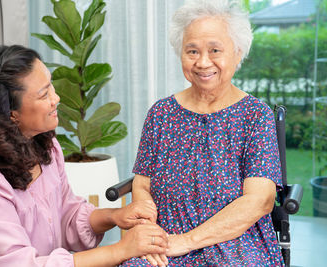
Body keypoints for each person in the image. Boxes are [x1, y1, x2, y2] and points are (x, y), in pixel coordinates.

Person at [0, 45, 169, 267]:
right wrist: (121, 250)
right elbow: (18, 264)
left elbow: (66, 216)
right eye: (44, 95)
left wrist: (115, 216)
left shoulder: (46, 146)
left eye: (51, 85)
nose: (57, 98)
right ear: (11, 113)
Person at [121, 0, 284, 266]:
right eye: (192, 51)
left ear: (238, 52)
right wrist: (149, 234)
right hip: (166, 238)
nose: (203, 62)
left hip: (234, 241)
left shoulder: (256, 115)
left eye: (215, 50)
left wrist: (186, 241)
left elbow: (260, 200)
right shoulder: (160, 113)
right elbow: (142, 185)